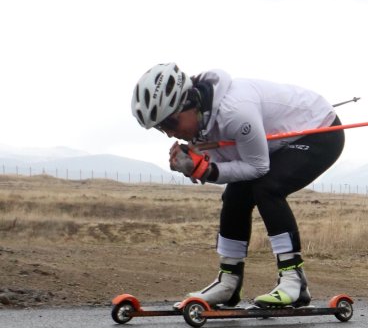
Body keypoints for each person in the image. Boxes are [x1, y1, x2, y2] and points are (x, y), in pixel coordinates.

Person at [132, 63, 344, 308]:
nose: (169, 134)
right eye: (161, 129)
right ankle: (229, 283)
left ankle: (294, 280)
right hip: (279, 143)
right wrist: (193, 164)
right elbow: (230, 165)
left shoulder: (235, 112)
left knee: (267, 188)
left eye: (170, 124)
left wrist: (206, 170)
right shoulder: (203, 117)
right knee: (235, 196)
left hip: (322, 131)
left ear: (188, 104)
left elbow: (257, 167)